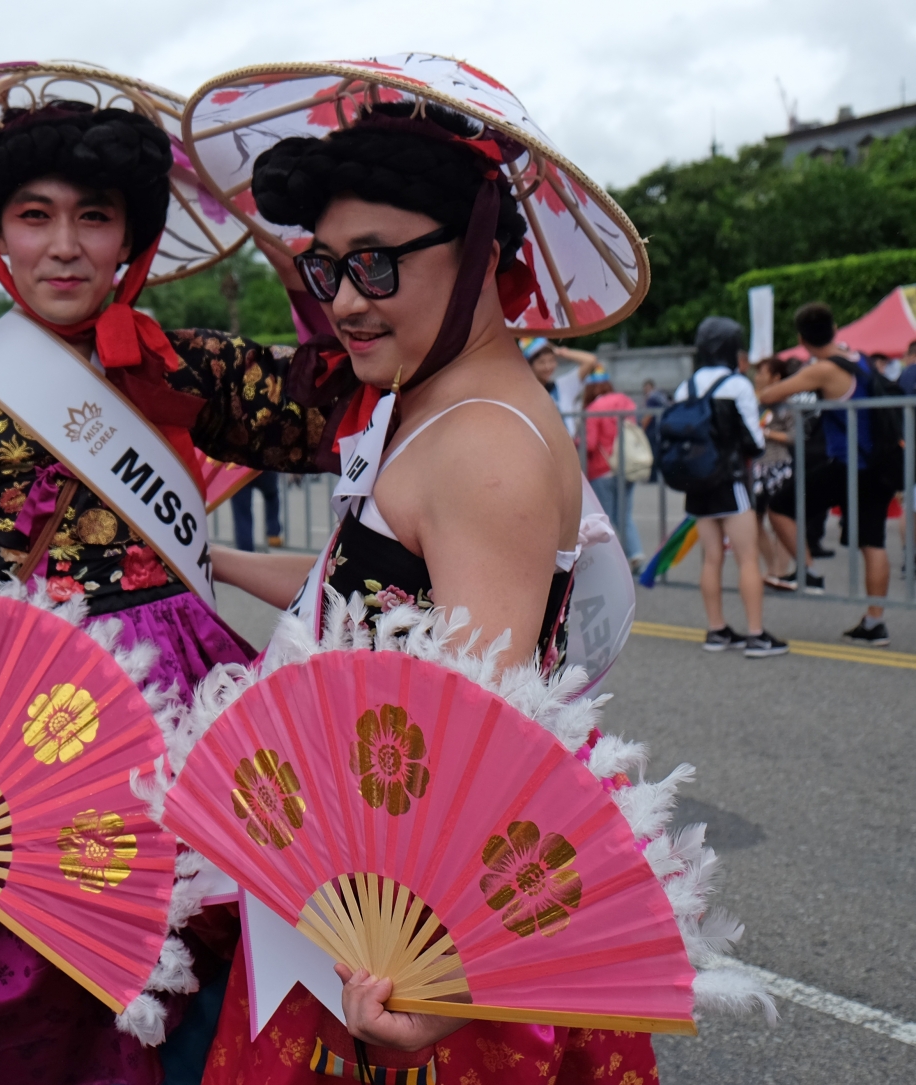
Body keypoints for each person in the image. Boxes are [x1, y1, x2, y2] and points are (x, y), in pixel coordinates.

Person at [192, 66, 666, 1084]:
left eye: (377, 265)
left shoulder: (479, 446)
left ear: (484, 252)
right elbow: (374, 600)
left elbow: (489, 741)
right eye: (326, 269)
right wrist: (213, 558)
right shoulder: (436, 401)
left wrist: (447, 982)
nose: (346, 305)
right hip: (382, 895)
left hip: (425, 942)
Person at [0, 96, 328, 1085]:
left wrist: (304, 277)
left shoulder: (179, 365)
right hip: (20, 739)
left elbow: (335, 411)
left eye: (94, 215)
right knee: (31, 982)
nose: (63, 246)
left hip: (190, 715)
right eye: (34, 214)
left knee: (219, 959)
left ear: (133, 238)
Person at [758, 302, 896, 645]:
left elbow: (771, 394)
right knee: (873, 543)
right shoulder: (856, 356)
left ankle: (810, 573)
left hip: (849, 465)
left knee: (779, 506)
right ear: (835, 329)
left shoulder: (822, 369)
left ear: (802, 339)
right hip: (878, 463)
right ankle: (874, 622)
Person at [671, 317, 786, 657]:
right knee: (748, 558)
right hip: (731, 481)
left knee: (712, 559)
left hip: (697, 483)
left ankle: (717, 630)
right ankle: (755, 634)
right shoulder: (738, 385)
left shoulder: (686, 387)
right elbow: (754, 441)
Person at [579, 373, 645, 569]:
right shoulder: (625, 402)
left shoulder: (592, 409)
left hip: (602, 469)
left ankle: (608, 564)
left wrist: (575, 440)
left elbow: (589, 444)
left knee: (603, 517)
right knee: (624, 515)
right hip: (627, 466)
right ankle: (635, 554)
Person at [752, 357, 804, 583]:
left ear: (776, 377)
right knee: (754, 520)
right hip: (755, 467)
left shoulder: (785, 405)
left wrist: (767, 433)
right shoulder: (752, 402)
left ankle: (782, 570)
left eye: (763, 373)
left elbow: (795, 436)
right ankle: (772, 566)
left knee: (779, 518)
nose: (758, 377)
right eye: (757, 373)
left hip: (778, 465)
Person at [522, 338, 600, 434]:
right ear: (530, 365)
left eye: (551, 360)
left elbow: (590, 360)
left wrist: (559, 351)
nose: (548, 366)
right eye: (541, 362)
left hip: (568, 444)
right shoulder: (524, 393)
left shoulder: (563, 386)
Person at [230, 470, 283, 550]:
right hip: (264, 467)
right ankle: (273, 533)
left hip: (239, 468)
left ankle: (245, 553)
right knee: (271, 495)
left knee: (242, 514)